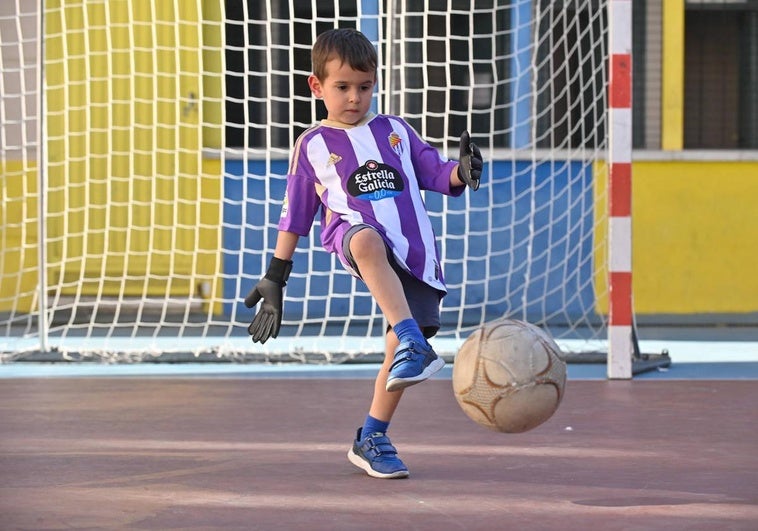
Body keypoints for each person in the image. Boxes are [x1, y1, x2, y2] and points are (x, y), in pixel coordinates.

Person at [244, 27, 482, 479]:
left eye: (365, 87)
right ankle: (414, 342)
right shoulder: (312, 145)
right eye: (343, 87)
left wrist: (461, 172)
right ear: (317, 86)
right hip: (352, 235)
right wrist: (277, 275)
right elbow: (295, 214)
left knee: (398, 352)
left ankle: (372, 436)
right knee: (366, 239)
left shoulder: (393, 130)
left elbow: (435, 172)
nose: (355, 97)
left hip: (413, 252)